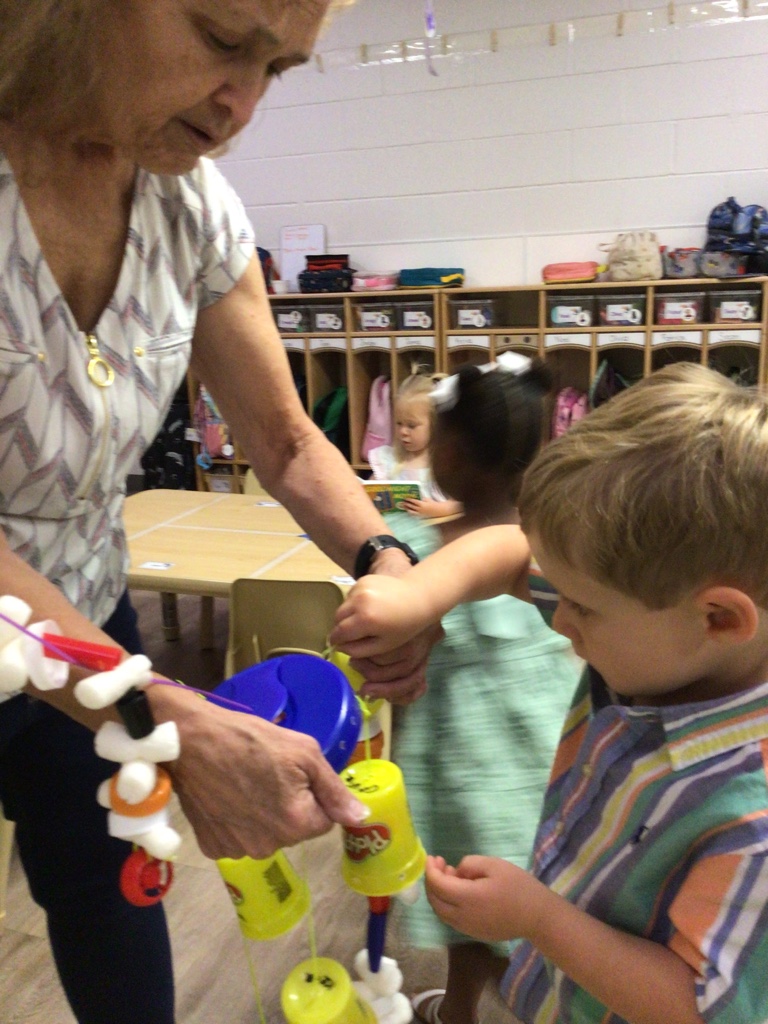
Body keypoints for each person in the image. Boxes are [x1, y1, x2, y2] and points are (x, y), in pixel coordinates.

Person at [0, 3, 434, 1023]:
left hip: (84, 609)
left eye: (276, 68)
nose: (241, 103)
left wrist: (384, 558)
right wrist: (171, 716)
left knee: (112, 886)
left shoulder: (190, 204)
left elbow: (283, 441)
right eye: (221, 37)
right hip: (83, 650)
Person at [337, 363, 768, 1024]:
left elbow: (697, 1004)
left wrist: (537, 918)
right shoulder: (663, 628)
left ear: (719, 619)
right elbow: (512, 552)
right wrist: (418, 593)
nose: (555, 618)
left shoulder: (752, 814)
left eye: (581, 609)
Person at [343, 354, 583, 1024]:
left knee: (470, 904)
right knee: (515, 899)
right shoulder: (554, 549)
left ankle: (482, 1004)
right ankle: (463, 1007)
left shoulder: (415, 547)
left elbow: (374, 639)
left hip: (459, 769)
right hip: (537, 765)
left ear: (448, 449)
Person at [368, 372, 461, 520]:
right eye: (399, 423)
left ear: (436, 425)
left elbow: (461, 503)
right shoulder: (388, 459)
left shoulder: (443, 464)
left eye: (411, 425)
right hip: (395, 534)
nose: (403, 431)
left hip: (434, 534)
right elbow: (371, 493)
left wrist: (437, 509)